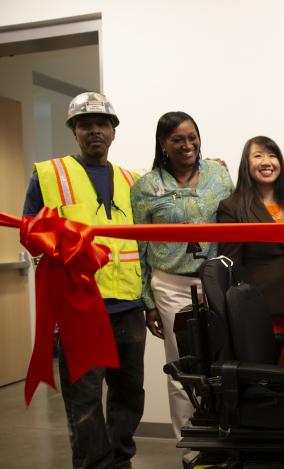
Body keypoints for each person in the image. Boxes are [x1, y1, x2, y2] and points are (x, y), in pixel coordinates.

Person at [22, 92, 146, 469]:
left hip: (128, 307)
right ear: (74, 131)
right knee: (85, 400)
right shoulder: (48, 175)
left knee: (128, 395)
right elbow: (30, 234)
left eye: (102, 124)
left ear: (113, 131)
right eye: (85, 124)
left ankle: (120, 460)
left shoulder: (133, 180)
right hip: (79, 309)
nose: (94, 130)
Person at [131, 111, 234, 439]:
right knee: (182, 367)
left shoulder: (218, 176)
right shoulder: (146, 186)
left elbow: (233, 223)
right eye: (178, 139)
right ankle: (190, 446)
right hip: (171, 285)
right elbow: (140, 245)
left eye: (192, 137)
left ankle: (223, 442)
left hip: (216, 282)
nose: (187, 145)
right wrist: (148, 301)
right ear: (163, 144)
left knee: (221, 362)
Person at [217, 136, 284, 345]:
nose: (266, 162)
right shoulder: (232, 207)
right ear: (246, 164)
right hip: (263, 309)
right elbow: (230, 266)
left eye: (272, 155)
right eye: (258, 156)